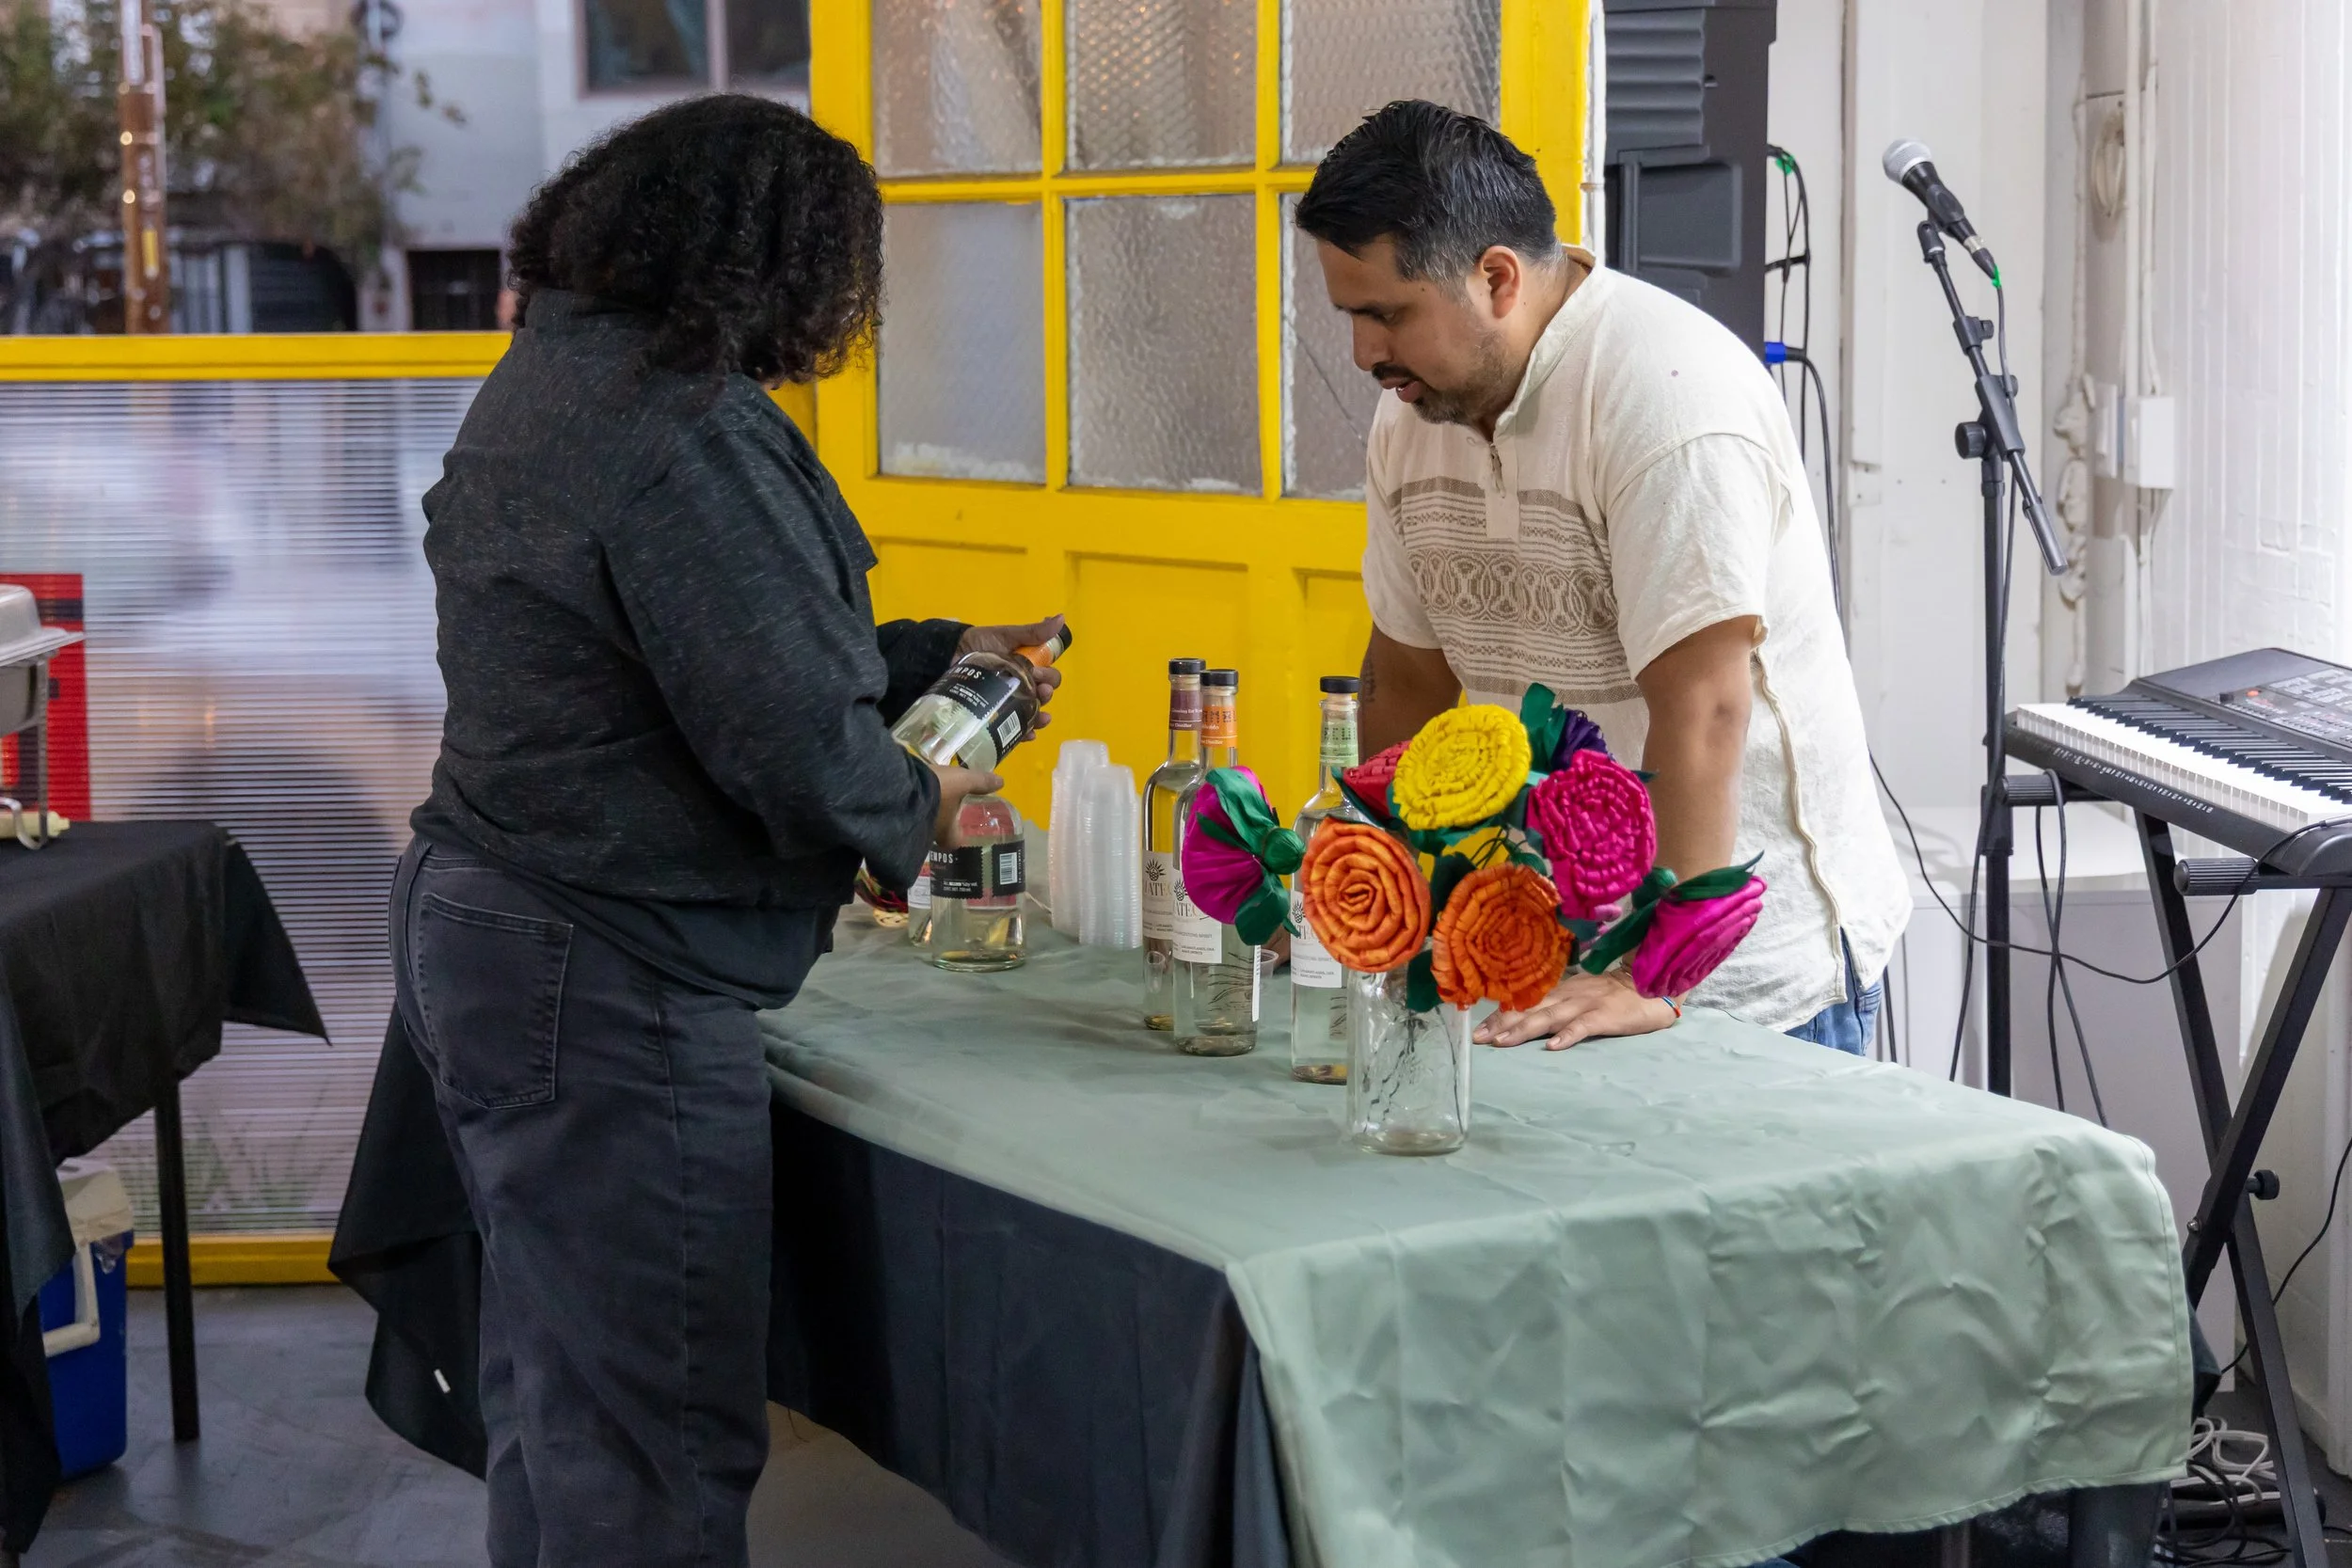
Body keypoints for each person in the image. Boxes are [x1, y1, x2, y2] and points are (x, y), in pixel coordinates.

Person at [390, 95, 1058, 1568]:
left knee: (561, 1404)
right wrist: (922, 801)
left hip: (490, 921)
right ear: (788, 262)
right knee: (654, 1439)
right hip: (603, 967)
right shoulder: (684, 425)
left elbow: (697, 651)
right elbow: (794, 748)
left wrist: (940, 646)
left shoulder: (551, 377)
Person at [1296, 101, 1909, 1054]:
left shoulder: (1666, 397)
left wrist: (1654, 970)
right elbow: (1408, 679)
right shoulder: (1414, 416)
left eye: (1386, 315)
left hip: (1739, 981)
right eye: (1349, 316)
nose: (1363, 353)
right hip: (1553, 953)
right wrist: (1379, 894)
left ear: (1495, 277)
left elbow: (1705, 706)